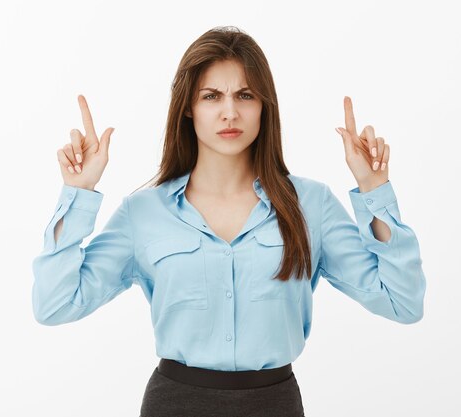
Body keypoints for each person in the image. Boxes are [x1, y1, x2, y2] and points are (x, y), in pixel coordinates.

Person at [31, 25, 427, 417]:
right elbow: (55, 305)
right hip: (174, 406)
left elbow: (402, 302)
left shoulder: (311, 205)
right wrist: (79, 193)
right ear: (188, 107)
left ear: (263, 105)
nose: (230, 112)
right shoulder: (144, 213)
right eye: (211, 96)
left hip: (275, 405)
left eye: (245, 95)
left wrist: (373, 189)